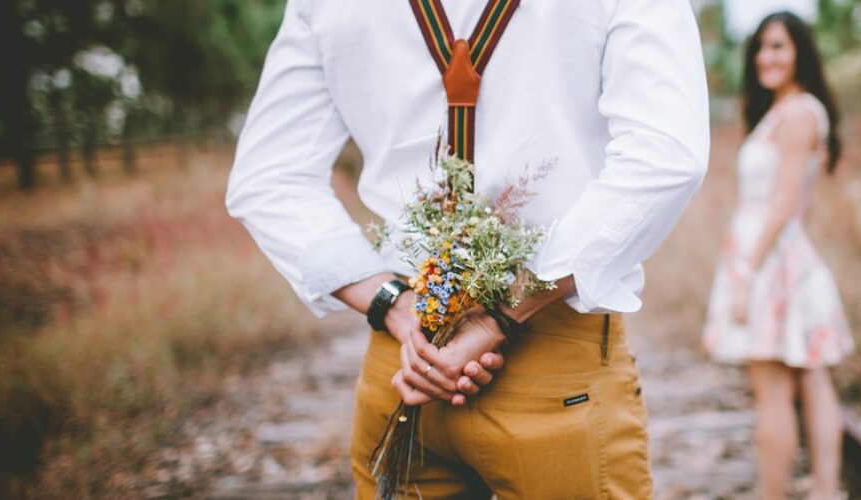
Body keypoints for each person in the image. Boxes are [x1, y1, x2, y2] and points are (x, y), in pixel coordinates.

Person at [226, 0, 710, 497]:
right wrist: (500, 312)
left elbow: (268, 178)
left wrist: (393, 302)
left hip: (405, 367)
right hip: (553, 368)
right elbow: (667, 155)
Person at [701, 11, 854, 500]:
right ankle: (826, 490)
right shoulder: (790, 110)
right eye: (761, 48)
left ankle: (778, 494)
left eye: (778, 47)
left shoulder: (797, 114)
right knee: (811, 376)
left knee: (773, 391)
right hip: (780, 255)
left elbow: (785, 203)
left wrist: (747, 272)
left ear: (800, 53)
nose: (766, 57)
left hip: (768, 262)